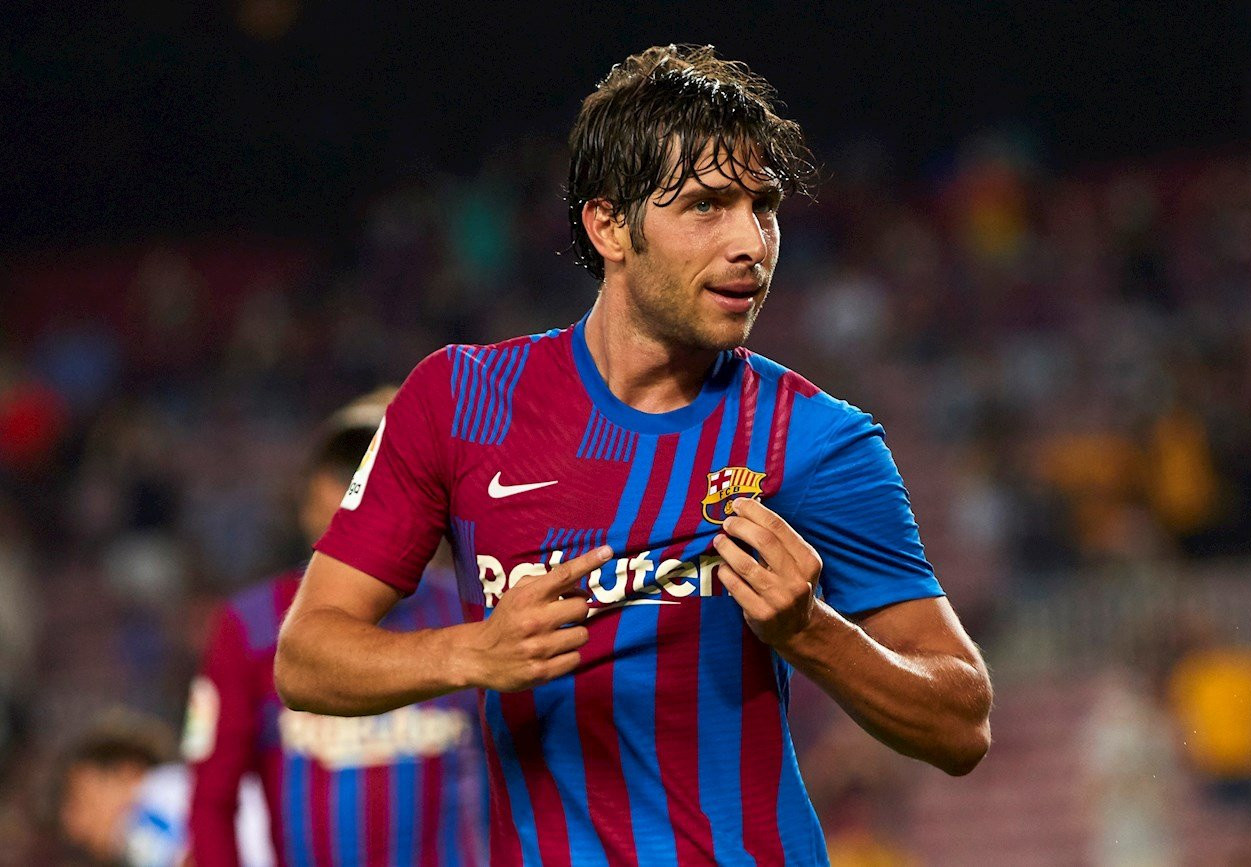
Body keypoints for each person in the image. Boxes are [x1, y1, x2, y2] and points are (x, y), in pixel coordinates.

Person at [276, 44, 992, 865]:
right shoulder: (458, 399)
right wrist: (468, 650)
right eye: (706, 205)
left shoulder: (819, 440)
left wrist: (811, 631)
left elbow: (962, 724)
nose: (750, 242)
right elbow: (308, 655)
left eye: (764, 206)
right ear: (608, 224)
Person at [185, 390, 486, 865]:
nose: (359, 486)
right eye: (344, 469)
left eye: (376, 465)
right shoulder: (248, 626)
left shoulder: (473, 606)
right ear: (306, 505)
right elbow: (211, 795)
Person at [56, 709, 273, 867]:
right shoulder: (180, 785)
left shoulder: (142, 818)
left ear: (126, 773)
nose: (75, 827)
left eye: (82, 802)